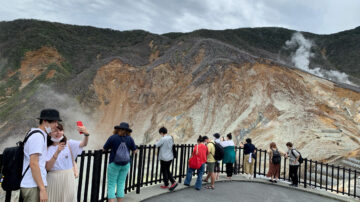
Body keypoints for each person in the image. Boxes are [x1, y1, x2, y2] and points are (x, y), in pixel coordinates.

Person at [20, 109, 61, 202]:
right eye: (54, 122)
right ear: (45, 121)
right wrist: (42, 189)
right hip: (33, 185)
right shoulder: (37, 137)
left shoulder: (37, 134)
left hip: (35, 184)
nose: (56, 125)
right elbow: (34, 164)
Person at [45, 123, 90, 202]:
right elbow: (48, 167)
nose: (58, 132)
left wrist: (86, 134)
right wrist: (57, 152)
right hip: (53, 178)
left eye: (60, 130)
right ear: (49, 133)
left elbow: (84, 144)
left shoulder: (69, 144)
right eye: (55, 131)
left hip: (68, 177)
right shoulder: (46, 148)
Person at [103, 122, 137, 202]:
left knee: (111, 184)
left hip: (114, 164)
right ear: (128, 131)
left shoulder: (113, 137)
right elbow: (135, 151)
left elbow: (105, 148)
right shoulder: (130, 139)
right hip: (126, 164)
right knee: (121, 184)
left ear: (118, 129)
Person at [155, 127, 178, 191]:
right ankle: (166, 183)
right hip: (170, 157)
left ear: (161, 132)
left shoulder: (163, 139)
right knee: (166, 170)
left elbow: (156, 145)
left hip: (164, 157)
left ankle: (173, 182)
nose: (161, 134)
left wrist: (157, 141)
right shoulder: (170, 137)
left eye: (160, 133)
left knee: (165, 170)